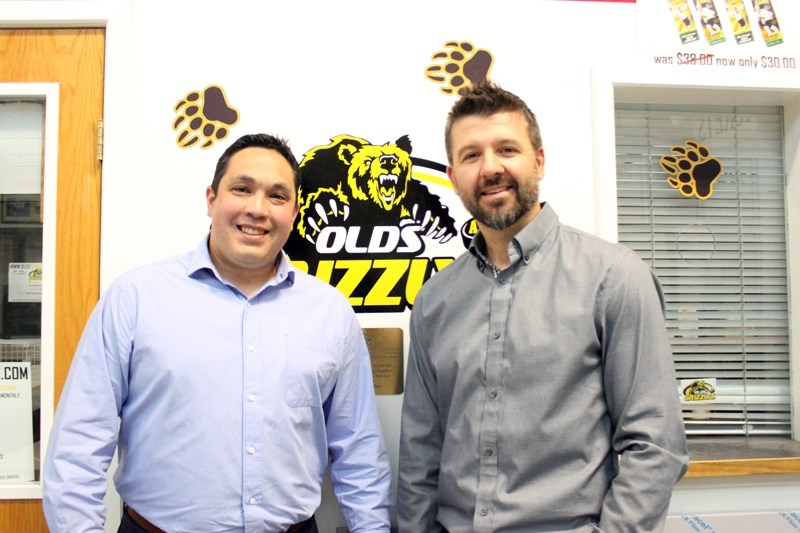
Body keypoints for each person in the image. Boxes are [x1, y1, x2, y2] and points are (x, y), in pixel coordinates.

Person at [43, 133, 393, 533]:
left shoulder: (329, 311)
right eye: (242, 189)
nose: (257, 209)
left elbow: (359, 450)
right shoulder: (136, 298)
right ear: (211, 199)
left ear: (294, 212)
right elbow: (79, 445)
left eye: (277, 196)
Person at [397, 84, 689, 533]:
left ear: (539, 160)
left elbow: (655, 444)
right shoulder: (434, 301)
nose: (490, 168)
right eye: (472, 156)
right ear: (454, 178)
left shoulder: (614, 279)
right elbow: (421, 452)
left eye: (507, 149)